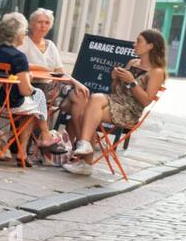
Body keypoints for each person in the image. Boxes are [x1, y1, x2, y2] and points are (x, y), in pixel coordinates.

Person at [64, 29, 167, 175]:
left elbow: (145, 101)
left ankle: (85, 160)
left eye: (138, 41)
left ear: (150, 46)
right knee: (94, 100)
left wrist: (132, 81)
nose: (134, 44)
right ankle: (85, 146)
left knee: (86, 114)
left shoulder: (156, 71)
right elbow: (115, 90)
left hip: (129, 110)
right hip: (115, 100)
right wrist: (115, 78)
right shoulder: (132, 62)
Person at [0, 12, 60, 151]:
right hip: (7, 103)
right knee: (38, 96)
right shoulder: (18, 57)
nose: (25, 34)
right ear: (19, 34)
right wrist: (29, 79)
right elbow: (25, 90)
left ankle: (26, 149)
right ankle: (37, 141)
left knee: (34, 104)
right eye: (24, 32)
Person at [21, 7, 88, 136]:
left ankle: (80, 140)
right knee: (75, 102)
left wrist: (76, 83)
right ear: (31, 24)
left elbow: (60, 72)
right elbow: (20, 64)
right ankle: (76, 140)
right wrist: (44, 69)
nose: (43, 26)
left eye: (47, 23)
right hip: (34, 86)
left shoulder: (50, 45)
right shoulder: (24, 41)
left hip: (54, 87)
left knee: (81, 95)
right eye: (40, 22)